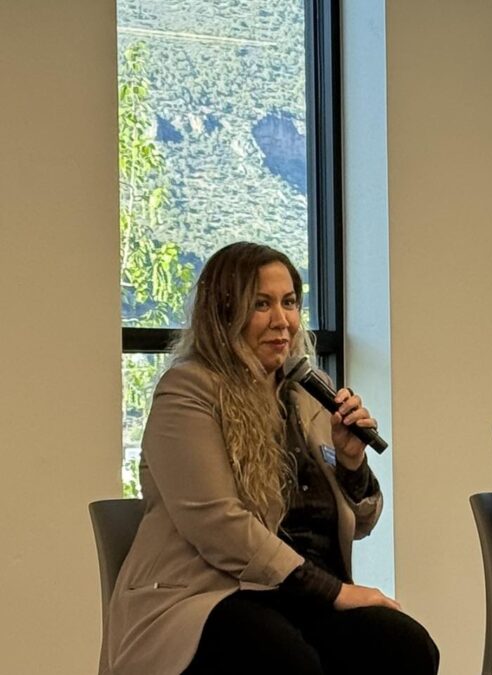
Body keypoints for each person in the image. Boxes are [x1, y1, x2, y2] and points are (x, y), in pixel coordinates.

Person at [101, 242, 439, 675]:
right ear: (223, 312)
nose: (282, 321)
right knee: (286, 662)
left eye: (290, 303)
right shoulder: (187, 390)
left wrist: (352, 464)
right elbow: (219, 525)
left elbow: (363, 524)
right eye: (261, 304)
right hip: (206, 597)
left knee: (406, 647)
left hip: (295, 599)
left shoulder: (304, 392)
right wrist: (334, 592)